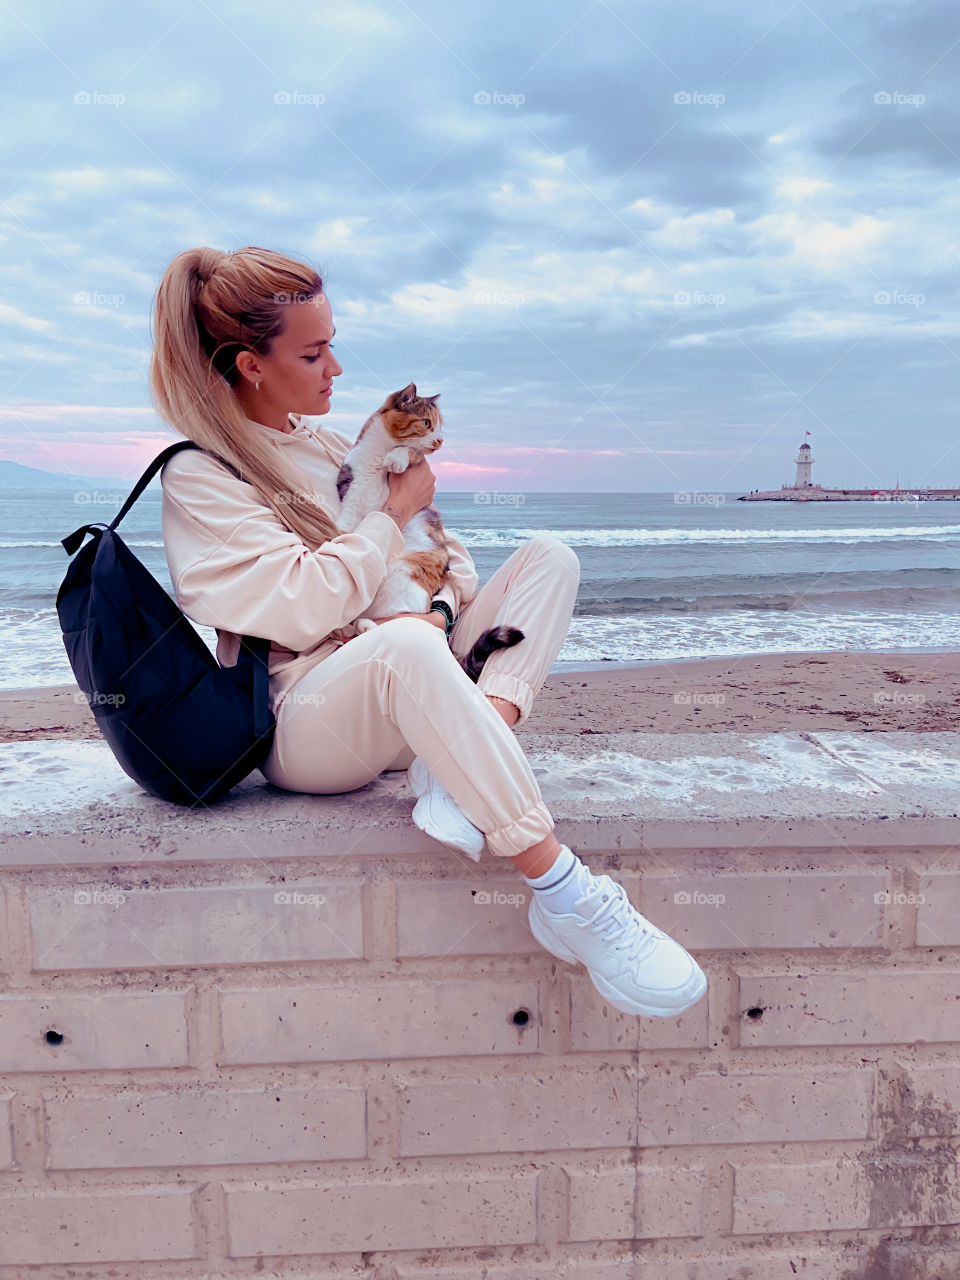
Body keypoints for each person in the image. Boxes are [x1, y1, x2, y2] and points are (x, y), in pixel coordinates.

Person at [149, 244, 707, 1020]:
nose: (336, 370)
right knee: (405, 646)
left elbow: (453, 564)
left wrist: (436, 610)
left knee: (550, 559)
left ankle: (460, 763)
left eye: (332, 344)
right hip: (305, 720)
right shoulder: (203, 476)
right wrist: (392, 516)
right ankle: (563, 891)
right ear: (249, 364)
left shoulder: (327, 448)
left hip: (412, 674)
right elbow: (305, 607)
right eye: (313, 352)